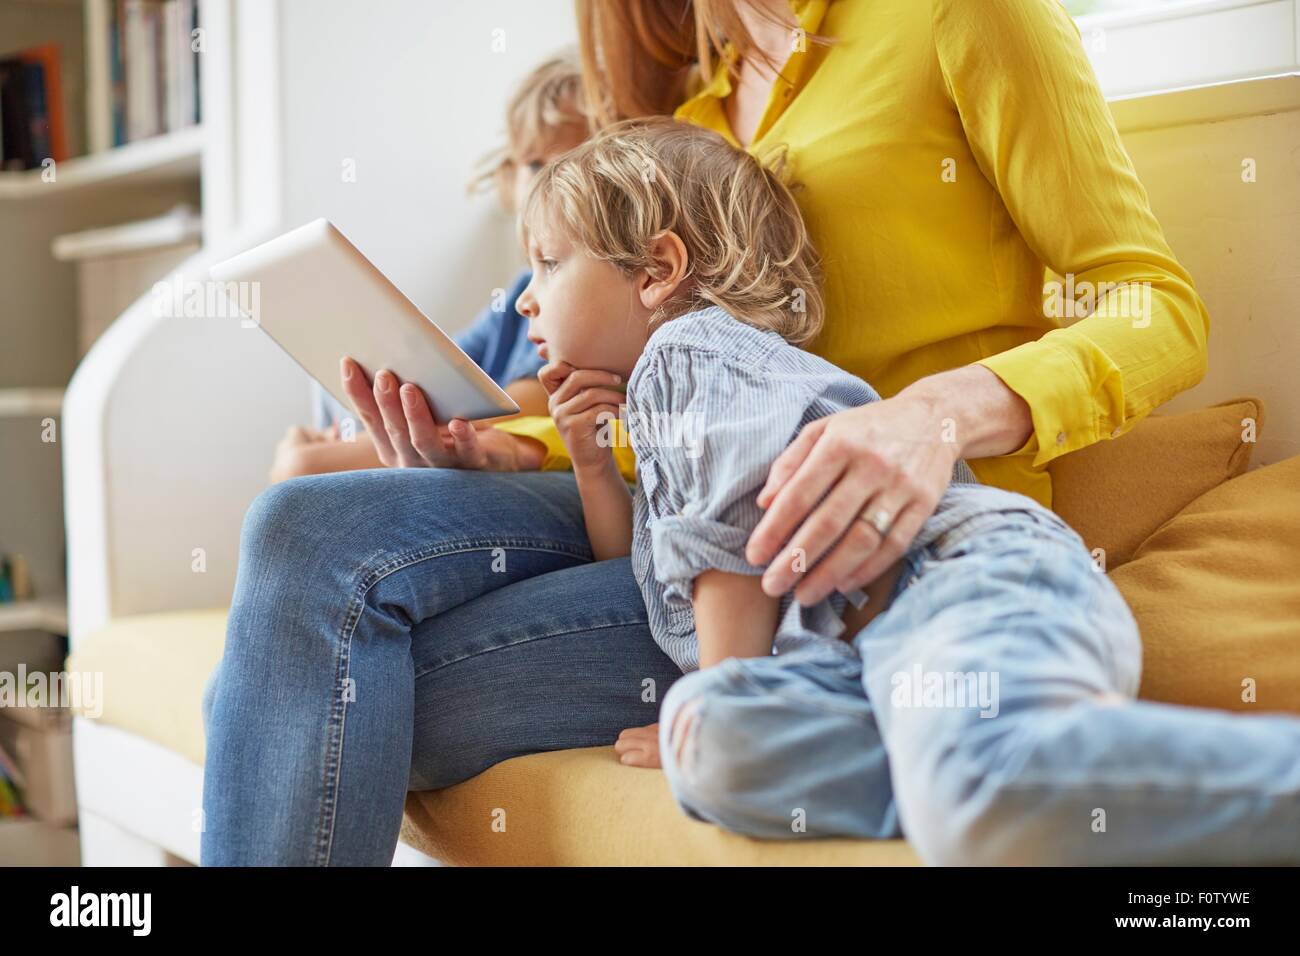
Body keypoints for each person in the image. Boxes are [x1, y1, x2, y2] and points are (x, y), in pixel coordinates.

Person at [200, 0, 1231, 866]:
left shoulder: (956, 17)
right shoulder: (691, 120)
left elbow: (1157, 308)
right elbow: (670, 401)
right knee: (302, 526)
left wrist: (928, 414)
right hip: (680, 510)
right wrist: (495, 445)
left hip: (865, 541)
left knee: (319, 684)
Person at [265, 54, 633, 482]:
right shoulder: (519, 293)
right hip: (469, 442)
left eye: (571, 164)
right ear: (509, 177)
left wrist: (329, 454)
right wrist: (360, 429)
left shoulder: (586, 295)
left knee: (300, 467)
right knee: (327, 414)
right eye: (536, 164)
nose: (546, 184)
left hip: (523, 461)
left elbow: (527, 407)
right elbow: (445, 376)